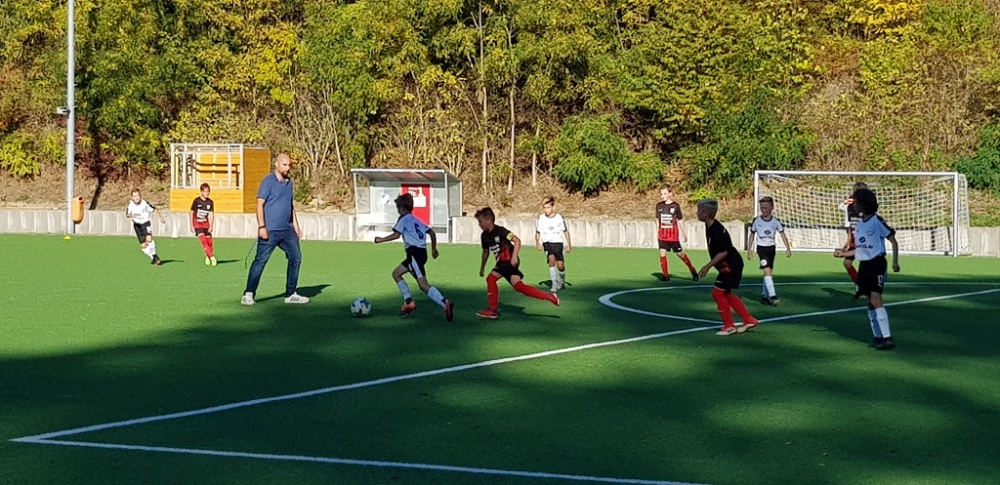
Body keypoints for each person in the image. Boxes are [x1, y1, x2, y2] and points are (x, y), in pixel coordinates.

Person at [834, 188, 900, 350]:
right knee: (869, 301)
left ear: (864, 204)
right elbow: (860, 250)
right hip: (864, 265)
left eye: (856, 202)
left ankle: (887, 338)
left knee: (876, 298)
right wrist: (843, 253)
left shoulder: (877, 221)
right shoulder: (859, 225)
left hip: (877, 264)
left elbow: (893, 240)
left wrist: (895, 262)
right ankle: (878, 336)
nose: (854, 206)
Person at [374, 193, 455, 322]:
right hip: (421, 254)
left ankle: (445, 303)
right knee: (396, 274)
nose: (397, 211)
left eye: (398, 208)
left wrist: (380, 240)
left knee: (423, 284)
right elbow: (432, 233)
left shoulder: (403, 219)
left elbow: (396, 235)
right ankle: (409, 302)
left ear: (402, 208)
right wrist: (434, 249)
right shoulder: (416, 220)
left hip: (414, 254)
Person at [241, 154, 309, 306]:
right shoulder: (268, 181)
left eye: (289, 165)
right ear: (276, 164)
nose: (287, 168)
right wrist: (261, 226)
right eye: (284, 164)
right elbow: (259, 204)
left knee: (296, 258)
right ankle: (248, 294)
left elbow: (290, 206)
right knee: (260, 261)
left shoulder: (289, 183)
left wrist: (296, 226)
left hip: (287, 231)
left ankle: (290, 294)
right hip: (270, 230)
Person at [476, 207, 559, 319]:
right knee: (519, 287)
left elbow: (517, 240)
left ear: (489, 220)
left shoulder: (501, 231)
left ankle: (493, 310)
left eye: (481, 221)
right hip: (503, 263)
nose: (479, 224)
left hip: (508, 260)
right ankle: (549, 297)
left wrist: (514, 256)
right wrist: (482, 267)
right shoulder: (484, 236)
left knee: (490, 279)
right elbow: (485, 252)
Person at [696, 199, 759, 336]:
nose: (697, 213)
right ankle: (749, 320)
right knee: (726, 293)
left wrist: (708, 266)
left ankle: (729, 326)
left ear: (706, 213)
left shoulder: (717, 230)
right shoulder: (709, 226)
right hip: (728, 265)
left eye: (699, 210)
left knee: (717, 293)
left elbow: (723, 252)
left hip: (731, 266)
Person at [747, 196, 792, 306]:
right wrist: (750, 249)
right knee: (767, 271)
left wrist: (788, 248)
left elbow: (782, 234)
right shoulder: (756, 221)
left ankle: (764, 296)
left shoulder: (775, 222)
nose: (763, 210)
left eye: (765, 208)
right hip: (761, 249)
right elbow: (752, 235)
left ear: (772, 207)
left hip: (771, 248)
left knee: (768, 273)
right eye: (761, 208)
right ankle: (773, 296)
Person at [655, 186, 698, 281]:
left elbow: (680, 220)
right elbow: (657, 219)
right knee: (662, 253)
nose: (662, 196)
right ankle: (666, 275)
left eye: (665, 193)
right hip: (662, 235)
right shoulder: (659, 206)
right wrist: (657, 231)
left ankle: (692, 270)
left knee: (680, 254)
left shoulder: (675, 206)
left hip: (673, 236)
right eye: (661, 194)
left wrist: (683, 233)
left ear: (670, 194)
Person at [535, 196, 572, 292]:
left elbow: (565, 231)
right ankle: (554, 283)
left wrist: (569, 244)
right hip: (547, 243)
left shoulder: (559, 218)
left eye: (548, 207)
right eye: (544, 208)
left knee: (560, 265)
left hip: (558, 243)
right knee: (551, 260)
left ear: (553, 207)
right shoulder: (541, 218)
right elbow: (538, 232)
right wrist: (538, 243)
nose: (546, 210)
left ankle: (562, 281)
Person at [838, 181, 868, 286]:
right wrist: (848, 240)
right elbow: (841, 207)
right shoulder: (850, 205)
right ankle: (859, 283)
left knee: (865, 264)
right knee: (847, 263)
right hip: (854, 238)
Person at [125, 189, 165, 265]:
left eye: (138, 195)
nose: (136, 197)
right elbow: (127, 214)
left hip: (145, 223)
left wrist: (160, 217)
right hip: (137, 225)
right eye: (134, 196)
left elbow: (154, 209)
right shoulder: (130, 204)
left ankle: (154, 255)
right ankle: (153, 257)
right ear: (132, 197)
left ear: (140, 196)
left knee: (149, 239)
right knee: (143, 246)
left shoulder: (144, 203)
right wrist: (130, 215)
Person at [190, 183, 217, 266]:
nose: (207, 193)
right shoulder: (196, 201)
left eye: (208, 191)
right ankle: (212, 257)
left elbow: (211, 214)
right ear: (201, 191)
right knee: (204, 241)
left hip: (206, 223)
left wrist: (211, 226)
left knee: (209, 242)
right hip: (197, 223)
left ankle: (207, 256)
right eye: (205, 191)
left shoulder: (210, 202)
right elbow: (191, 212)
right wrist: (191, 225)